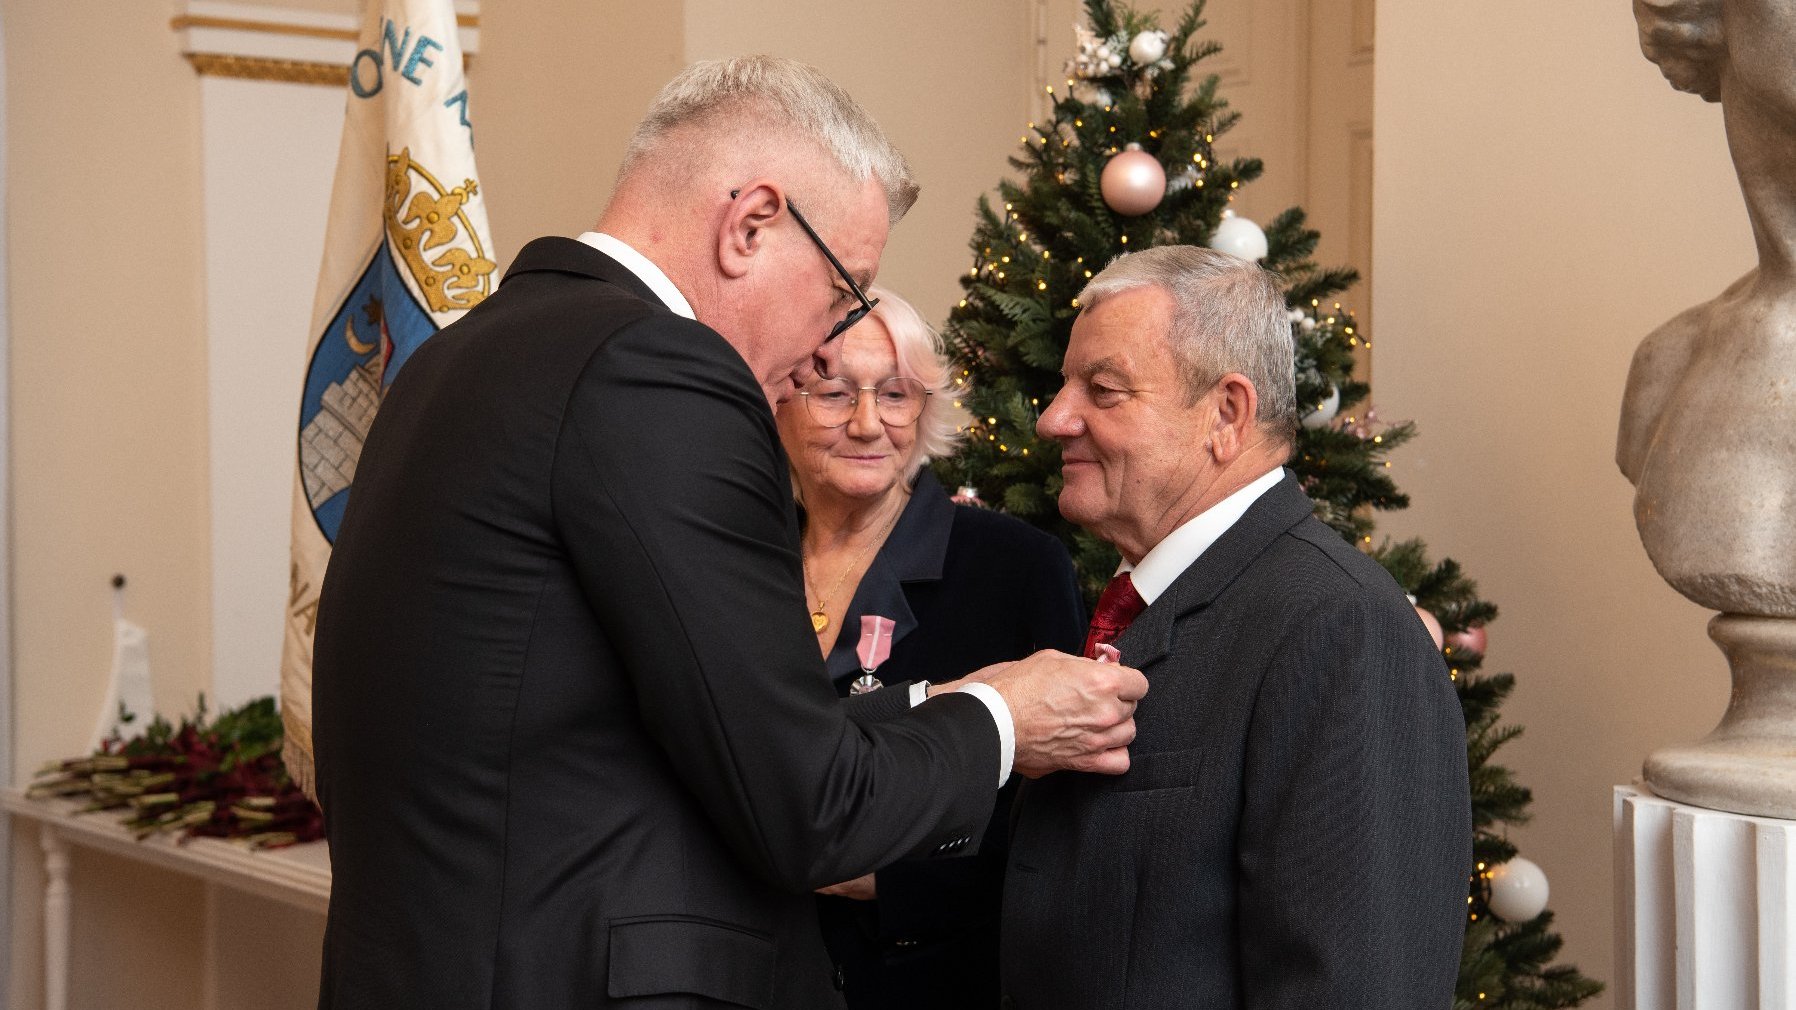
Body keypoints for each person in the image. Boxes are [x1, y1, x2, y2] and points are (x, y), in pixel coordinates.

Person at [310, 57, 1147, 1010]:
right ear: (750, 224)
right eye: (846, 293)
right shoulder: (658, 371)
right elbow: (806, 807)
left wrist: (947, 699)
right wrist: (1007, 720)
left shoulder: (457, 359)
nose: (829, 347)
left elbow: (636, 734)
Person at [1000, 246, 1471, 1008]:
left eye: (1104, 389)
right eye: (1064, 384)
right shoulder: (1149, 597)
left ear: (1226, 414)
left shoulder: (1339, 625)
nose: (1055, 417)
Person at [773, 288, 1084, 1007]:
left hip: (932, 979)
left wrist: (893, 878)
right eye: (833, 393)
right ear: (781, 401)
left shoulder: (1015, 565)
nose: (866, 423)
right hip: (745, 964)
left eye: (895, 394)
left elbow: (1061, 820)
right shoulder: (741, 560)